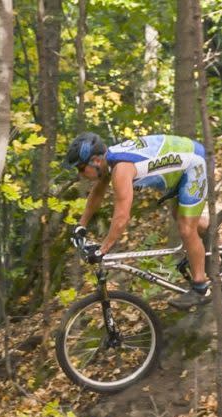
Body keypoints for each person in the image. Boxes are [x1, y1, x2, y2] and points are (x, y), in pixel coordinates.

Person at [65, 132, 211, 310]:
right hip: (178, 173)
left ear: (95, 161)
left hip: (193, 164)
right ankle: (218, 252)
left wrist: (102, 250)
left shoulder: (121, 170)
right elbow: (97, 193)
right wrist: (81, 225)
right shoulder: (109, 163)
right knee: (196, 225)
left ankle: (200, 288)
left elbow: (122, 217)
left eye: (81, 168)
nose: (80, 174)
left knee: (187, 229)